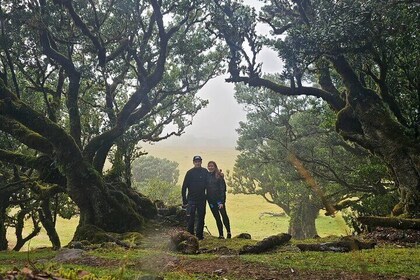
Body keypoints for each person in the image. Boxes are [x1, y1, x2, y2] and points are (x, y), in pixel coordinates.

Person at [181, 155, 208, 240]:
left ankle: (199, 236)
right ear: (193, 162)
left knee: (201, 217)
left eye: (199, 161)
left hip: (202, 199)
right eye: (196, 161)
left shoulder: (205, 171)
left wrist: (219, 174)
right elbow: (184, 186)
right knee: (190, 217)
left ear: (201, 162)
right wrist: (184, 200)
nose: (197, 163)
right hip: (191, 199)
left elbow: (210, 182)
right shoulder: (189, 173)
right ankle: (190, 235)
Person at [207, 161, 231, 239]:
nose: (210, 167)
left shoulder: (219, 176)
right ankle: (221, 234)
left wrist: (222, 202)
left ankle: (228, 232)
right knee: (217, 217)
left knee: (224, 216)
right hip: (211, 201)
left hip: (219, 201)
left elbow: (222, 190)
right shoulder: (207, 176)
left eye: (212, 166)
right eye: (209, 166)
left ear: (215, 167)